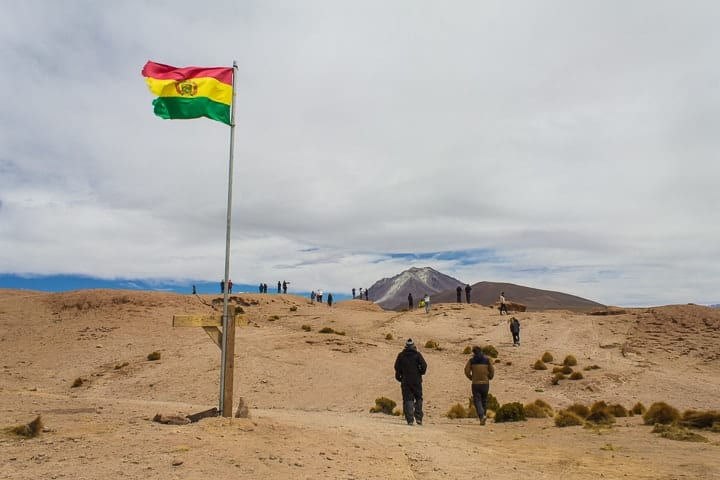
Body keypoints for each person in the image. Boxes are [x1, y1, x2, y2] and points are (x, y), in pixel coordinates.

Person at [394, 339, 427, 426]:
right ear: (413, 346)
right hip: (416, 380)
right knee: (418, 397)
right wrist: (420, 373)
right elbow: (424, 366)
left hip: (406, 380)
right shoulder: (417, 355)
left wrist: (399, 377)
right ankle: (419, 418)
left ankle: (410, 420)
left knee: (408, 399)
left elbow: (396, 367)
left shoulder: (401, 355)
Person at [464, 346, 495, 425]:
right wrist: (490, 377)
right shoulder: (487, 360)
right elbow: (492, 370)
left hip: (475, 384)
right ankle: (483, 416)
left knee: (477, 400)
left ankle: (481, 416)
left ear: (474, 352)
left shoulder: (471, 361)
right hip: (485, 384)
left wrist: (471, 377)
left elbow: (466, 371)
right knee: (484, 400)